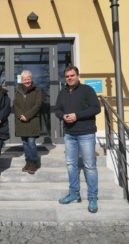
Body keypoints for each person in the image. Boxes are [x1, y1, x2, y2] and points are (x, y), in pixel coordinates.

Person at [54, 65, 101, 213]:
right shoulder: (62, 92)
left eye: (72, 75)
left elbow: (96, 108)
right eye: (67, 76)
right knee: (71, 165)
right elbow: (57, 109)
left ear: (78, 76)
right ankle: (74, 193)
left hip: (86, 133)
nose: (69, 78)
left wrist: (77, 116)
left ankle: (92, 197)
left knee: (89, 166)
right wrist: (63, 116)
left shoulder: (87, 90)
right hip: (69, 134)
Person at [13, 70, 42, 174]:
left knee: (31, 142)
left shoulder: (37, 90)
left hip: (32, 121)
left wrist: (27, 116)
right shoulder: (18, 90)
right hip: (21, 121)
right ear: (22, 80)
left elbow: (38, 105)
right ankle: (28, 162)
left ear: (31, 79)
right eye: (24, 79)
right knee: (25, 143)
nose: (26, 81)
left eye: (28, 79)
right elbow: (15, 105)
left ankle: (34, 162)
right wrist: (21, 115)